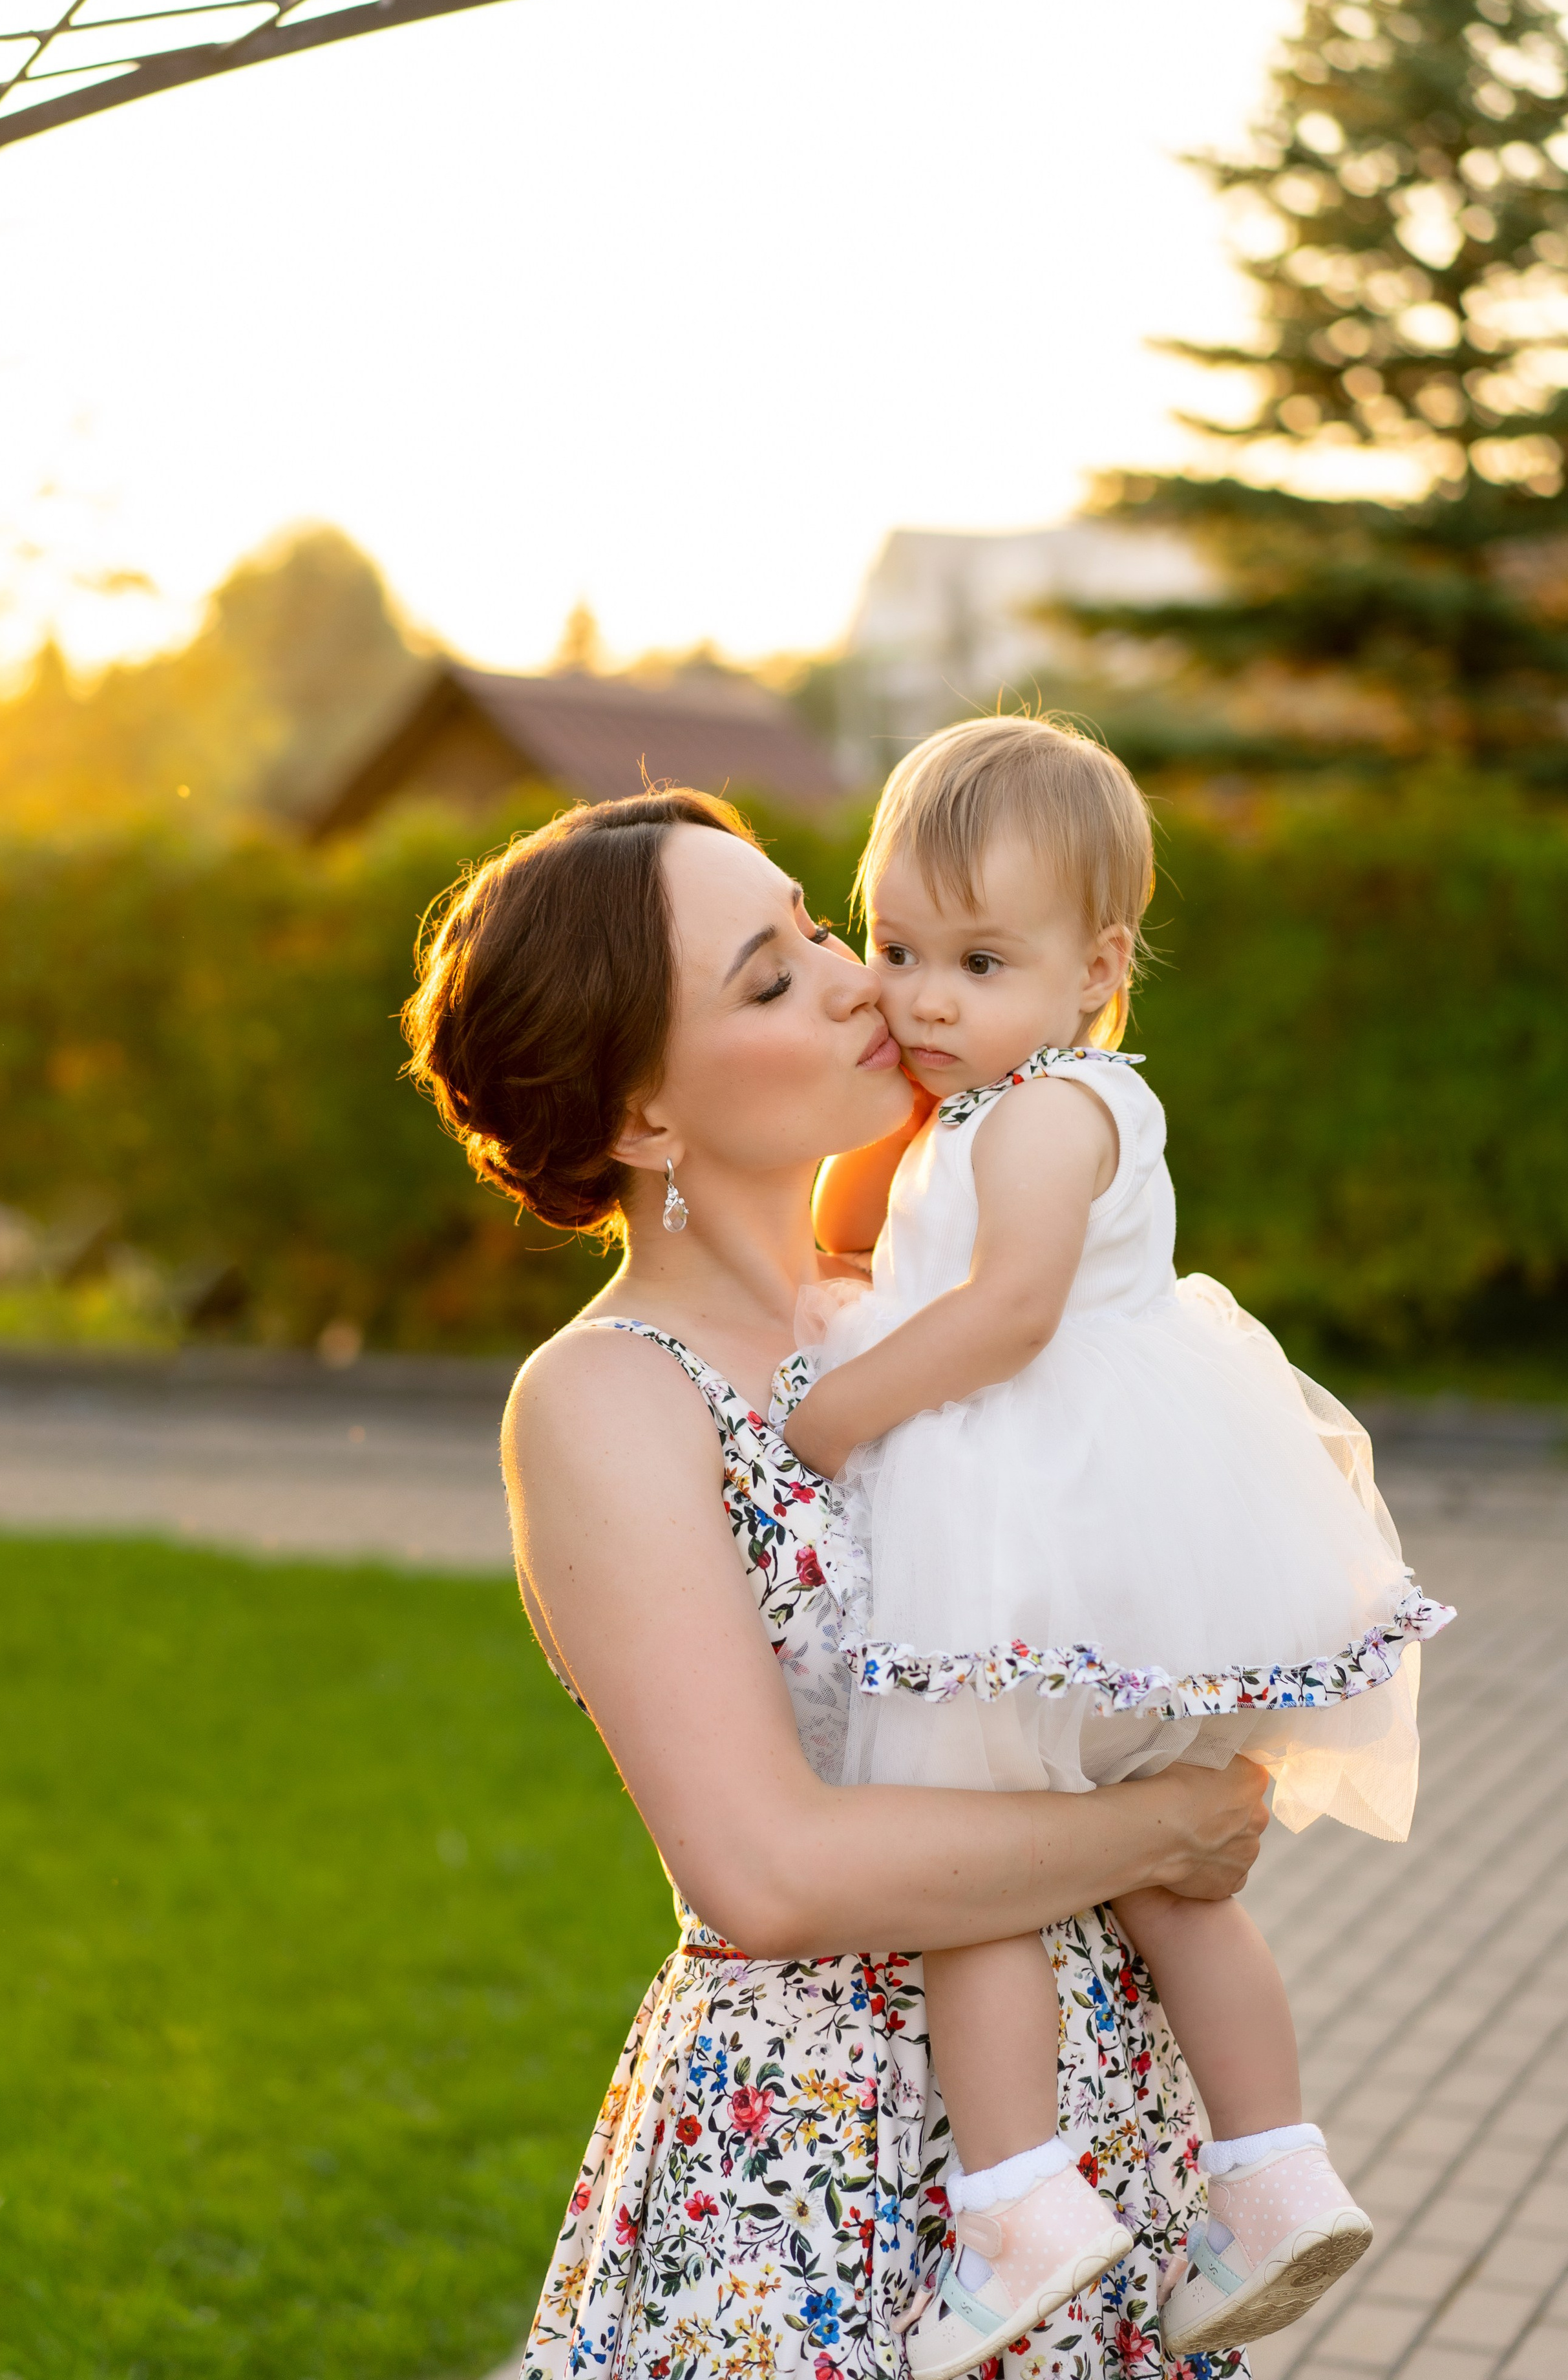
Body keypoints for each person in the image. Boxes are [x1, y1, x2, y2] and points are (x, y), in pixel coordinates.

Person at [402, 786, 1273, 2379]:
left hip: (1093, 2108)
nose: (856, 980)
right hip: (821, 2157)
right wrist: (1163, 1831)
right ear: (645, 1118)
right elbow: (770, 1869)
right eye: (767, 976)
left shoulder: (921, 1311)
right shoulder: (609, 1394)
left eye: (815, 924)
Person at [783, 719, 1454, 2378]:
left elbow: (1006, 1315)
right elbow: (850, 1232)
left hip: (1023, 1550)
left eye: (978, 960)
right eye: (892, 948)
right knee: (1162, 1879)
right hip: (1114, 1559)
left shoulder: (1039, 1118)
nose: (921, 997)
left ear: (1094, 967)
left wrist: (840, 1410)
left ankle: (1015, 2205)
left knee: (978, 1877)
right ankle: (1270, 2167)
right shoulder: (1012, 1097)